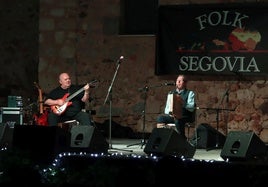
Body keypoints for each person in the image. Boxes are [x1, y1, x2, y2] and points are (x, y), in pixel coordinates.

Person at [156, 74, 196, 139]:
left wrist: (183, 103)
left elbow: (191, 108)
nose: (178, 82)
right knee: (160, 118)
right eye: (177, 80)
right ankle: (162, 138)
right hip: (173, 116)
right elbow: (166, 109)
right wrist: (170, 113)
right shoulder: (171, 93)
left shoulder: (190, 93)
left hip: (185, 116)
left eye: (180, 81)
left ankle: (181, 138)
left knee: (178, 119)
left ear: (185, 83)